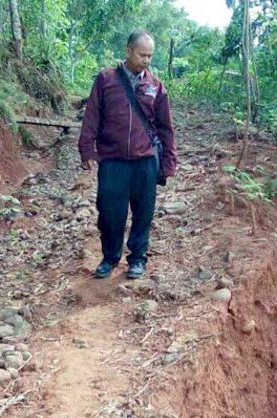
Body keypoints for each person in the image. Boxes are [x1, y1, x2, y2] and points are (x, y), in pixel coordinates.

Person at [78, 31, 178, 280]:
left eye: (150, 55)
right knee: (110, 213)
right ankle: (110, 258)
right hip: (113, 160)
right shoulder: (106, 80)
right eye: (142, 54)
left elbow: (166, 128)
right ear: (129, 51)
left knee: (144, 212)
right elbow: (92, 115)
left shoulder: (156, 86)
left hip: (145, 160)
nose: (146, 60)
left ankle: (137, 259)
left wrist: (168, 162)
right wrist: (87, 148)